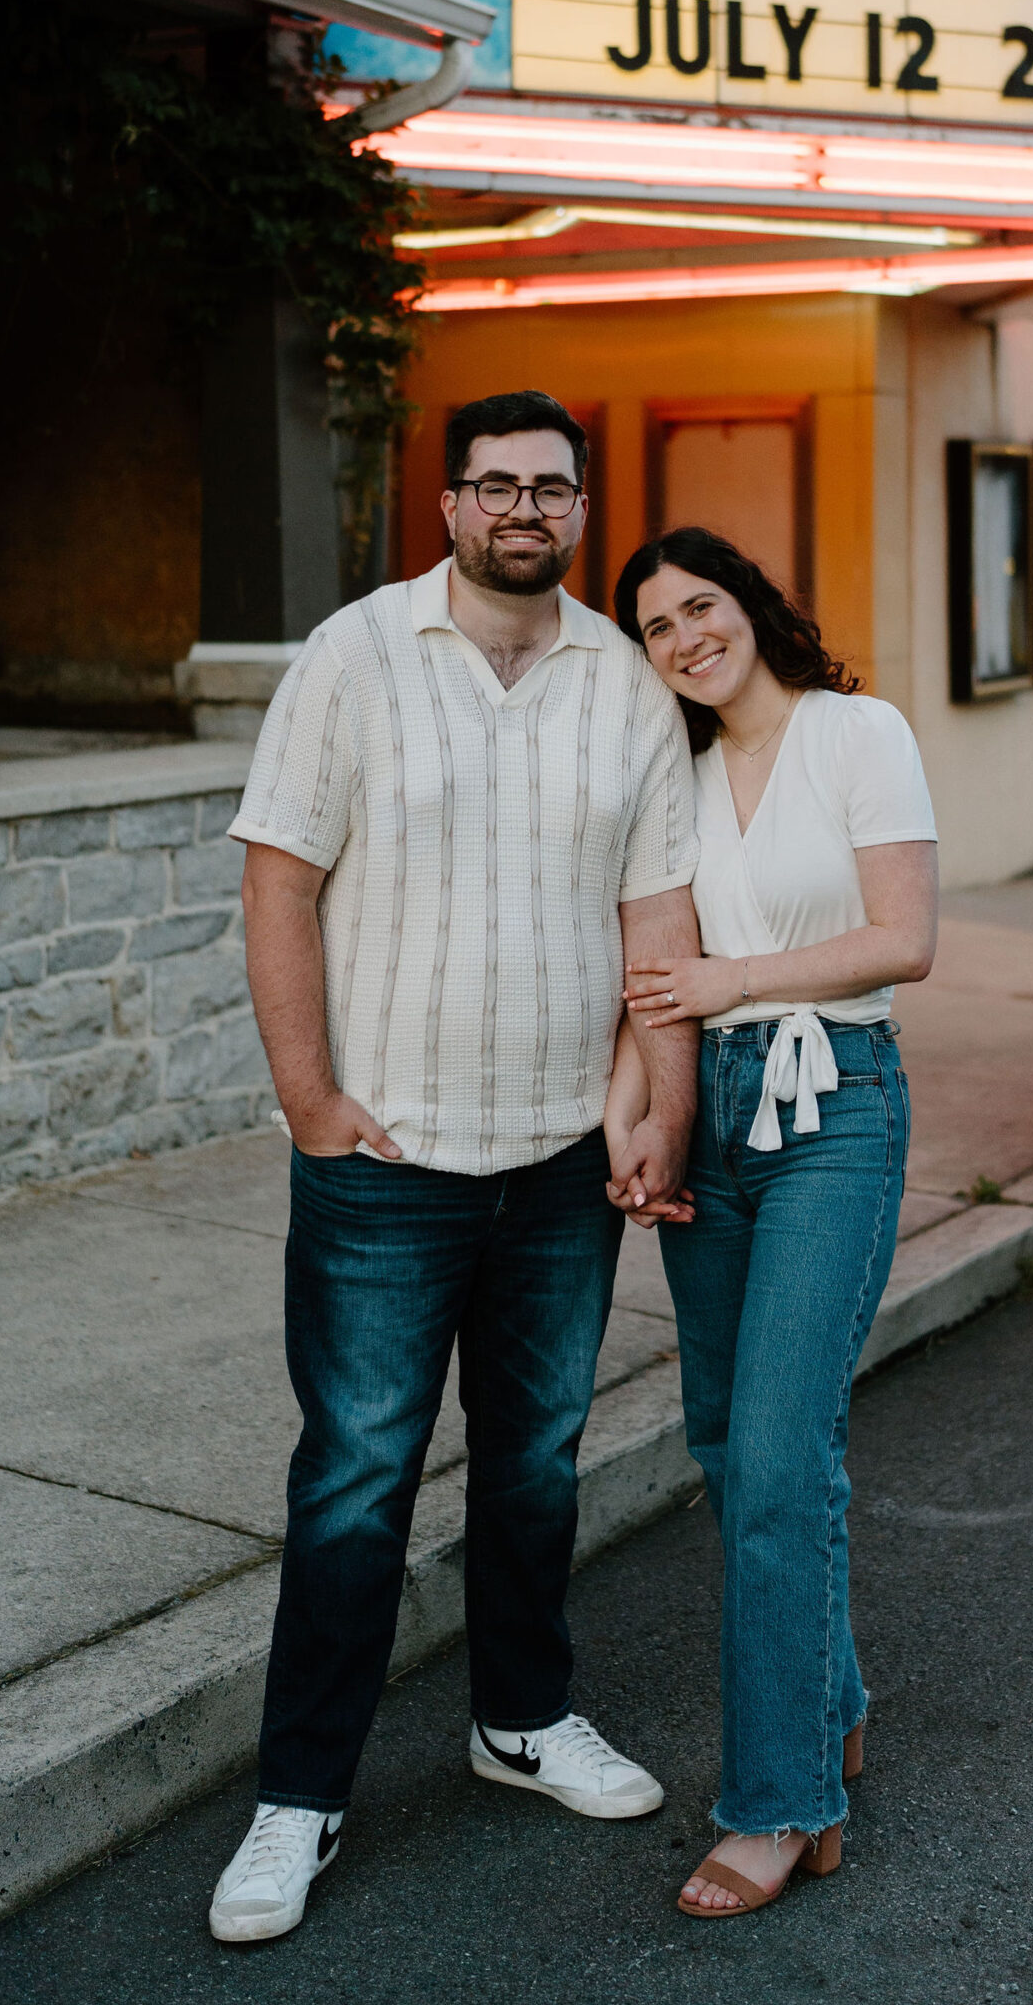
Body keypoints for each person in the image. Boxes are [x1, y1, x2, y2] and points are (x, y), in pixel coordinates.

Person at [209, 391, 702, 1946]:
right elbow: (279, 880)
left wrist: (652, 1105)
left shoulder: (624, 685)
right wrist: (309, 1100)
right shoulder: (353, 657)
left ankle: (522, 1720)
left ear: (579, 510)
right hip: (388, 1160)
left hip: (559, 1158)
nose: (523, 513)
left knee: (537, 1462)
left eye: (551, 491)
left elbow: (657, 926)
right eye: (495, 488)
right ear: (447, 507)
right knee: (356, 1483)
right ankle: (301, 1796)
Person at [608, 527, 938, 1921]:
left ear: (750, 604)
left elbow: (901, 937)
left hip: (834, 1103)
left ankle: (783, 1805)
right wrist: (641, 1118)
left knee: (787, 1457)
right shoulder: (666, 783)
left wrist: (731, 977)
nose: (688, 637)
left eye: (702, 605)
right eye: (656, 629)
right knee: (731, 1446)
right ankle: (831, 1705)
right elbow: (651, 985)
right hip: (714, 1111)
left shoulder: (859, 733)